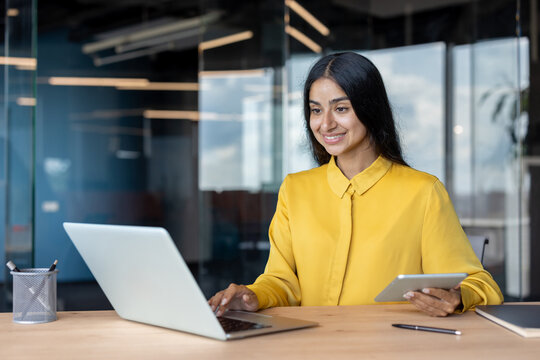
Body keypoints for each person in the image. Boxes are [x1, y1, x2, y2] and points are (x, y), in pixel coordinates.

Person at [209, 52, 503, 317]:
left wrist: (458, 296)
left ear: (369, 108)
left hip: (393, 348)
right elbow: (282, 281)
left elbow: (479, 283)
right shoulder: (295, 190)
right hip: (311, 348)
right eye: (315, 110)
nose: (325, 124)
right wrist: (254, 296)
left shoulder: (422, 192)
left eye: (341, 108)